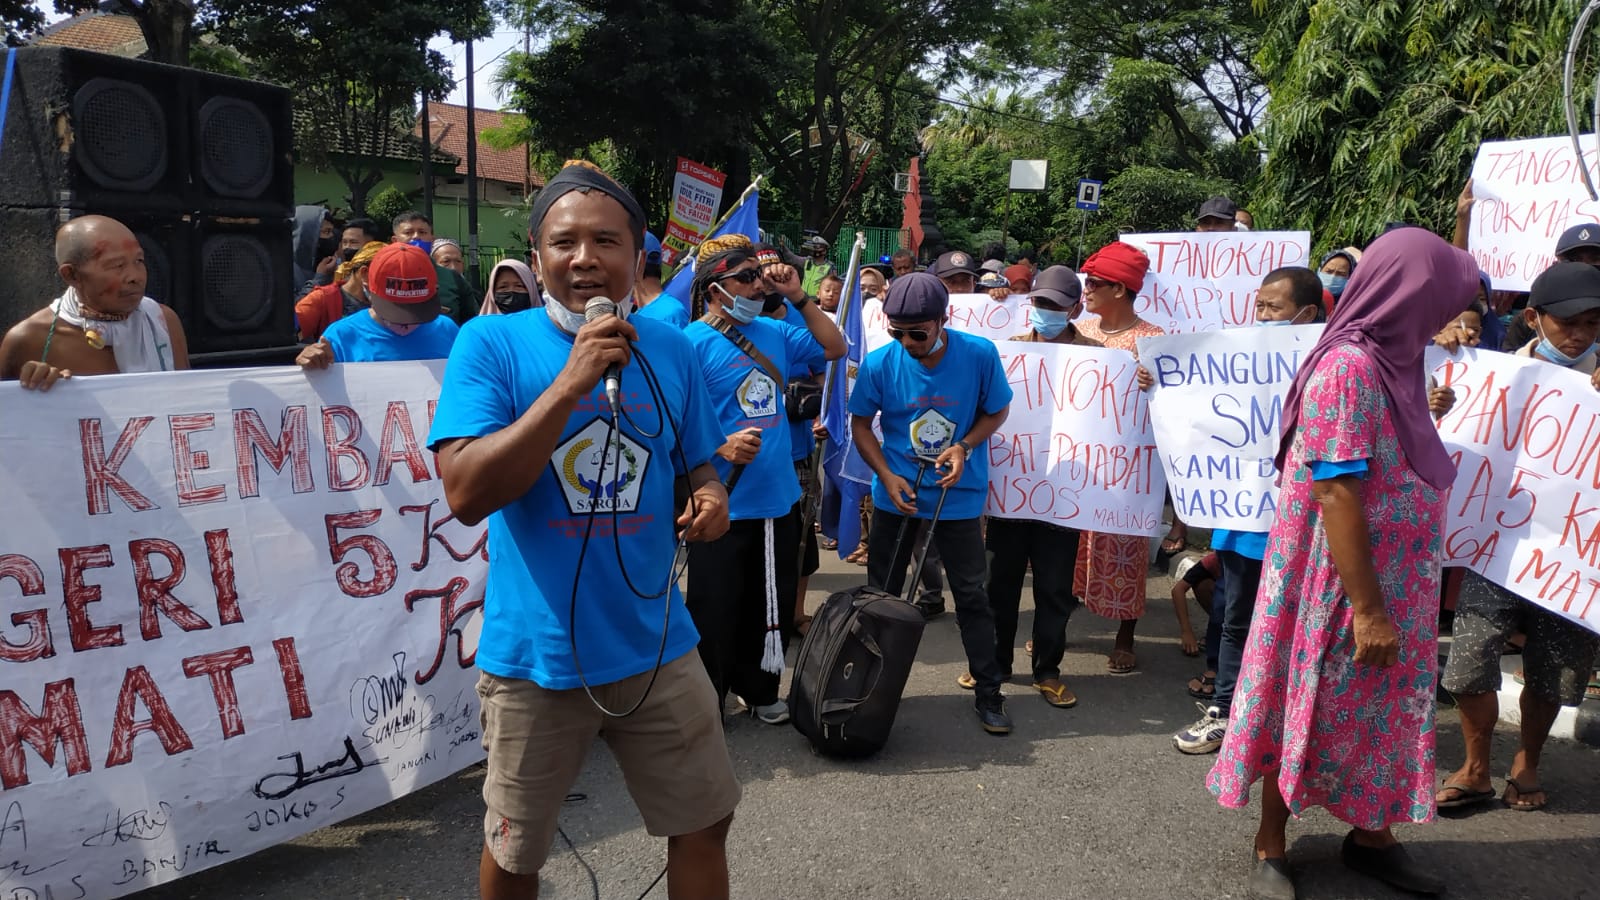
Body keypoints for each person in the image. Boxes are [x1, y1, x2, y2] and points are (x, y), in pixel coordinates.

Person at [428, 162, 738, 900]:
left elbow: (697, 461)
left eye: (607, 240)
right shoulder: (489, 346)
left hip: (657, 643)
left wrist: (710, 495)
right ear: (536, 258)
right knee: (516, 850)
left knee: (704, 822)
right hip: (537, 660)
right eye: (564, 242)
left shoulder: (674, 349)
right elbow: (467, 494)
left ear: (638, 256)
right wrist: (570, 384)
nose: (585, 258)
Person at [1207, 227, 1478, 900]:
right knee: (1304, 699)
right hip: (1338, 587)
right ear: (1409, 296)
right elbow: (1334, 489)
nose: (1445, 314)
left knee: (1378, 707)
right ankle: (1272, 842)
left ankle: (1372, 836)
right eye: (1440, 298)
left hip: (1392, 581)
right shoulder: (1348, 368)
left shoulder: (1396, 359)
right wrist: (1368, 609)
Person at [1436, 261, 1600, 815]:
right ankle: (1475, 766)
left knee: (1556, 670)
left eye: (1594, 322)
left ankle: (1527, 761)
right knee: (1467, 661)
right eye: (1567, 320)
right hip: (1496, 548)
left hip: (1571, 556)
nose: (1580, 333)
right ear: (1533, 318)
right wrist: (1444, 353)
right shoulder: (1488, 372)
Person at [684, 236, 842, 725]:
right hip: (722, 500)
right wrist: (718, 446)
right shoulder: (689, 344)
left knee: (767, 603)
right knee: (713, 605)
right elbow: (674, 419)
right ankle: (708, 698)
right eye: (746, 278)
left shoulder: (775, 332)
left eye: (760, 275)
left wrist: (798, 296)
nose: (758, 285)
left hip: (776, 498)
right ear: (715, 289)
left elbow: (835, 347)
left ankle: (760, 690)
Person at [1165, 267, 1324, 754]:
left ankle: (1282, 719)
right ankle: (1226, 710)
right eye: (1259, 306)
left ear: (1307, 314)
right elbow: (1192, 397)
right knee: (1236, 620)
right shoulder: (1235, 355)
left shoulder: (1329, 363)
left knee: (1292, 624)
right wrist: (1162, 378)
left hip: (1294, 523)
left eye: (1273, 308)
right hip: (1241, 519)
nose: (1262, 315)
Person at [849, 272, 1015, 734]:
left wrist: (964, 446)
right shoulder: (881, 363)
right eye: (895, 331)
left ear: (944, 320)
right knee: (880, 596)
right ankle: (865, 688)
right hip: (896, 497)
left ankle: (989, 693)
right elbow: (861, 424)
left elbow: (997, 409)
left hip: (956, 498)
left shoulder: (979, 354)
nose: (906, 342)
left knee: (971, 598)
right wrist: (885, 474)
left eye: (917, 333)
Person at [968, 266, 1098, 709]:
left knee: (1055, 588)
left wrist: (1138, 383)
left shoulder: (1099, 358)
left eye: (1054, 306)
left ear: (1075, 309)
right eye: (1039, 303)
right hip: (1011, 489)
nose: (1044, 311)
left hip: (1065, 495)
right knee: (998, 584)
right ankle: (997, 664)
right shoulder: (1006, 353)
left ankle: (1047, 669)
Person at [1075, 241, 1162, 674]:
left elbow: (1175, 405)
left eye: (1094, 283)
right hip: (1079, 461)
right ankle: (1057, 623)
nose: (1085, 289)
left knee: (1125, 548)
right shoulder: (1078, 333)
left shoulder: (1154, 342)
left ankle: (1125, 633)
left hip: (1127, 467)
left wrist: (1156, 382)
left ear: (1120, 290)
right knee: (1069, 546)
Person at [1, 214, 189, 389]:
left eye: (139, 261)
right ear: (72, 275)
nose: (135, 276)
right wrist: (43, 391)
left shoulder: (163, 321)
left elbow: (189, 402)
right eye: (118, 265)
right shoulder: (28, 340)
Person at [297, 242, 459, 366]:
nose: (406, 323)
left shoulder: (447, 331)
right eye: (396, 310)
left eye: (417, 309)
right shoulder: (340, 336)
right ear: (366, 284)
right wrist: (312, 366)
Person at [295, 240, 386, 341]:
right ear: (364, 272)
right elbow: (290, 335)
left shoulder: (392, 303)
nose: (391, 285)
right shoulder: (322, 298)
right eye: (386, 277)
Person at [390, 211, 473, 321]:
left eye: (422, 232)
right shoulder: (384, 276)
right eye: (408, 232)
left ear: (432, 240)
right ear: (395, 241)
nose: (416, 237)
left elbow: (471, 321)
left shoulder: (451, 278)